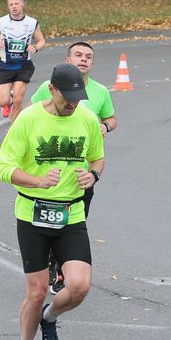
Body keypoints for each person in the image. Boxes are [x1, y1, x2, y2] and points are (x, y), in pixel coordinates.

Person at [0, 64, 105, 340]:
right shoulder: (29, 119)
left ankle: (50, 317)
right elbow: (5, 167)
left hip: (71, 213)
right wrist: (36, 180)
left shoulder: (86, 118)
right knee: (37, 290)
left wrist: (93, 174)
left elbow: (98, 156)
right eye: (67, 97)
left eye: (77, 97)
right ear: (53, 90)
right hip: (32, 213)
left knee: (80, 286)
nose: (72, 103)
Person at [31, 42, 118, 295]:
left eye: (88, 57)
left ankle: (60, 271)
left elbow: (111, 118)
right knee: (47, 226)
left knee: (71, 226)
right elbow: (31, 115)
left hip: (80, 176)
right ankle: (47, 262)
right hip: (47, 172)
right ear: (67, 60)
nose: (83, 60)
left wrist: (106, 127)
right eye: (78, 55)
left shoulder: (100, 92)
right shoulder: (47, 88)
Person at [0, 0, 47, 121]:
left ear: (22, 4)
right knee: (3, 101)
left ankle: (13, 129)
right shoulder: (1, 22)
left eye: (16, 4)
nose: (14, 7)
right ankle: (8, 102)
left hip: (24, 65)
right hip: (6, 64)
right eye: (11, 4)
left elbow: (42, 41)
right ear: (8, 7)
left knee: (19, 99)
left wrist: (35, 47)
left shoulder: (32, 23)